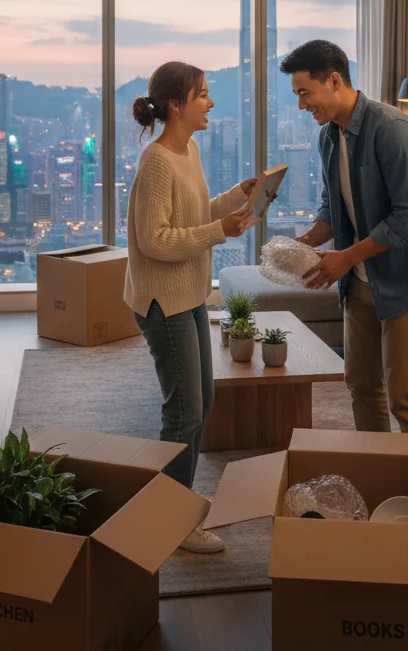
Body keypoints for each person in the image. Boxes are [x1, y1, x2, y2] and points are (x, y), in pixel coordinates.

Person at [281, 39, 408, 434]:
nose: (301, 105)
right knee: (361, 385)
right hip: (359, 279)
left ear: (334, 81)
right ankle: (380, 473)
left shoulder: (392, 129)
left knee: (406, 395)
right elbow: (331, 207)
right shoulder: (327, 138)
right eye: (297, 96)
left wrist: (345, 258)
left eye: (305, 93)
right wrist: (308, 241)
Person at [124, 60, 255, 554]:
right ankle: (171, 520)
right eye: (203, 94)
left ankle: (176, 502)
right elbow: (153, 240)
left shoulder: (189, 150)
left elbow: (194, 214)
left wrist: (234, 199)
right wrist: (219, 231)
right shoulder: (156, 161)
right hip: (164, 301)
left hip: (189, 294)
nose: (211, 103)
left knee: (203, 402)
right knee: (184, 412)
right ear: (177, 105)